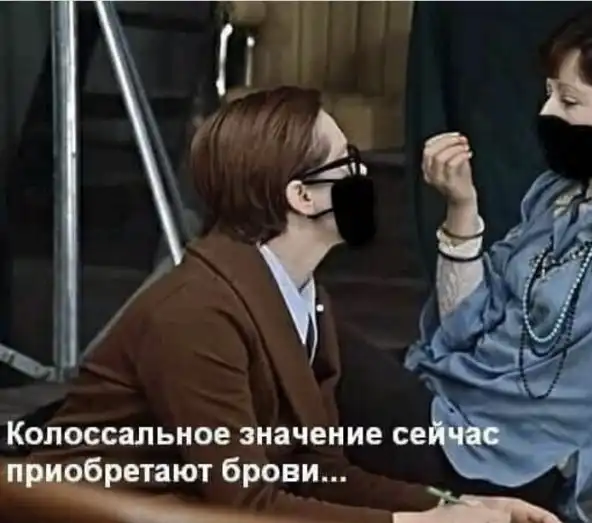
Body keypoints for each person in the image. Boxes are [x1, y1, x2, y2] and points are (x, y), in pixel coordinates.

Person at [23, 87, 558, 523]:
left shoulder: (301, 295)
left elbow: (316, 470)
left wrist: (458, 505)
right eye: (348, 163)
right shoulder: (197, 312)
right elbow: (244, 504)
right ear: (301, 196)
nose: (365, 177)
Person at [336, 7, 592, 523]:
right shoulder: (555, 194)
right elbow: (463, 323)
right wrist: (462, 207)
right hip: (455, 404)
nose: (547, 112)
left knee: (312, 339)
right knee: (307, 356)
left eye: (569, 101)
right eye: (548, 93)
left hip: (519, 462)